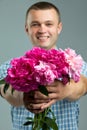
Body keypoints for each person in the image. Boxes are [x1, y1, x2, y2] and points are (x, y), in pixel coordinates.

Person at [0, 1, 87, 130]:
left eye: (48, 24)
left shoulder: (74, 63)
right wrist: (23, 95)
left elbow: (83, 85)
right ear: (27, 28)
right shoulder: (10, 67)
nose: (42, 30)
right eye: (35, 24)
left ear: (59, 28)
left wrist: (67, 89)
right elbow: (6, 91)